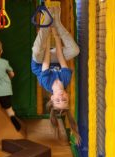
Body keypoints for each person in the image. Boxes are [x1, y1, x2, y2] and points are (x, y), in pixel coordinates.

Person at [31, 7, 81, 145]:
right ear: (67, 96)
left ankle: (47, 18)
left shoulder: (46, 82)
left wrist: (47, 40)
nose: (61, 99)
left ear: (52, 99)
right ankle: (56, 21)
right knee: (75, 50)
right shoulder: (66, 79)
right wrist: (56, 36)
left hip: (41, 60)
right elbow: (60, 56)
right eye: (64, 100)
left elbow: (46, 60)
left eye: (58, 101)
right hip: (56, 57)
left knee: (36, 50)